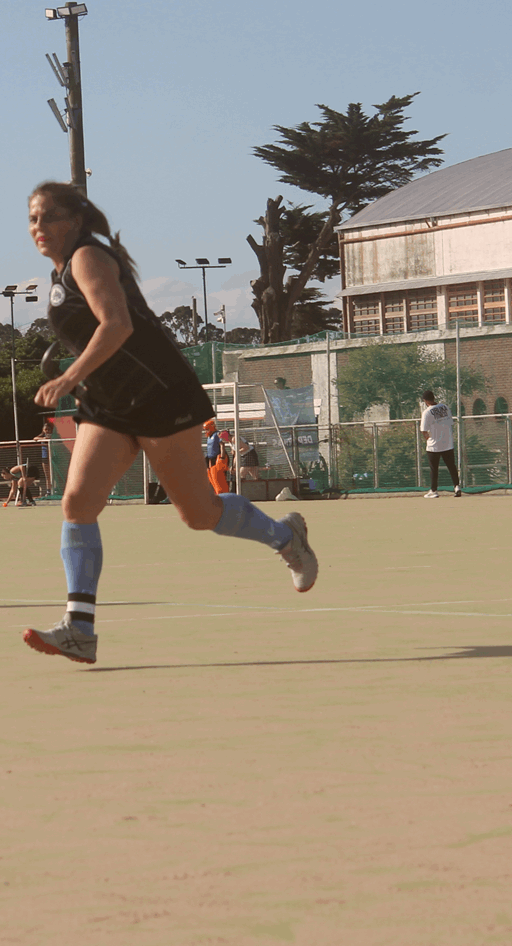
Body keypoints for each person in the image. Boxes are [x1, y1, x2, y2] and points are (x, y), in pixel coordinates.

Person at [20, 181, 318, 665]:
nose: (39, 226)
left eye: (49, 216)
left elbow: (117, 324)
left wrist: (69, 376)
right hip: (109, 403)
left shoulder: (87, 258)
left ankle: (287, 538)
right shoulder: (61, 273)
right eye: (33, 218)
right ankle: (80, 629)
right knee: (77, 503)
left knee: (199, 514)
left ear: (74, 220)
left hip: (159, 394)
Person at [418, 390, 461, 497]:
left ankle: (433, 491)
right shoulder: (445, 407)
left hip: (434, 445)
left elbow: (423, 430)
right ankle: (457, 486)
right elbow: (450, 423)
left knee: (434, 469)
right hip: (448, 443)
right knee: (452, 466)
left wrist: (427, 438)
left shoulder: (427, 412)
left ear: (425, 400)